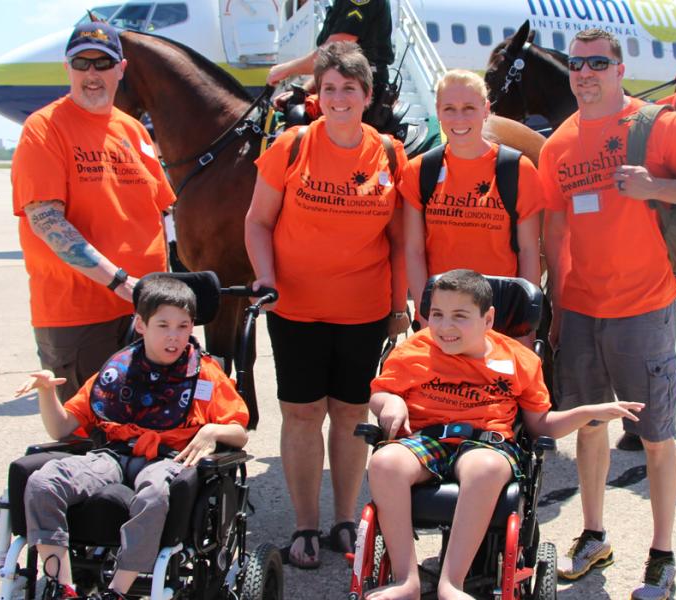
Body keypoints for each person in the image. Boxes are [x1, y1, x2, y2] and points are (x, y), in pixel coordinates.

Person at [539, 29, 676, 599]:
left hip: (643, 310)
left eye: (598, 63)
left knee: (655, 436)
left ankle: (662, 555)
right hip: (579, 311)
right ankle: (594, 534)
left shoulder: (657, 126)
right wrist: (556, 305)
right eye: (578, 64)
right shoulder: (558, 144)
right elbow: (556, 229)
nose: (586, 73)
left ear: (620, 69)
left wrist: (657, 185)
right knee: (590, 427)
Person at [365, 269, 641, 600]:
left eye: (459, 316)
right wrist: (390, 402)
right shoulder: (415, 350)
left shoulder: (519, 360)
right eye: (436, 314)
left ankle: (451, 582)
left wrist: (587, 413)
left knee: (485, 467)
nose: (444, 327)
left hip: (487, 443)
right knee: (384, 462)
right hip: (427, 438)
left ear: (488, 318)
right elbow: (380, 393)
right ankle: (405, 580)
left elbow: (541, 425)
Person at [244, 41, 410, 569]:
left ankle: (343, 518)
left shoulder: (388, 153)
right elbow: (257, 222)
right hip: (295, 308)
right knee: (301, 414)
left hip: (363, 310)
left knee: (349, 414)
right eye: (329, 89)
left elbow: (402, 239)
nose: (339, 98)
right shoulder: (291, 146)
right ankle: (304, 524)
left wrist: (399, 305)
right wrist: (266, 278)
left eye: (349, 89)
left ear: (366, 95)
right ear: (318, 96)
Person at [15, 275, 249, 600]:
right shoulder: (117, 371)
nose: (174, 336)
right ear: (140, 324)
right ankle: (64, 588)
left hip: (170, 458)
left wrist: (213, 430)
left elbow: (239, 431)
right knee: (42, 483)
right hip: (112, 455)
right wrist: (45, 393)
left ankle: (117, 592)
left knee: (154, 495)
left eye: (183, 327)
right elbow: (62, 429)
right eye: (163, 325)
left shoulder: (205, 374)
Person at [12, 22, 175, 403]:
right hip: (78, 317)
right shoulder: (44, 128)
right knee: (85, 440)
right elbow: (46, 220)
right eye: (81, 63)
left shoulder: (134, 131)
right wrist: (120, 281)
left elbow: (162, 216)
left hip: (143, 312)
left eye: (103, 63)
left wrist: (170, 294)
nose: (92, 74)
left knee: (146, 431)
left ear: (121, 69)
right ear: (67, 69)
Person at [398, 70, 543, 327]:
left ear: (486, 110)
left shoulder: (518, 170)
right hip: (442, 316)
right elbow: (414, 250)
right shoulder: (420, 171)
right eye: (449, 108)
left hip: (498, 313)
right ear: (438, 111)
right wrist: (424, 316)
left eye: (469, 108)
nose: (459, 118)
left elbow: (530, 251)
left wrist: (525, 325)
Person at [267, 0, 394, 128]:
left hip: (361, 91)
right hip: (346, 84)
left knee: (296, 126)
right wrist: (303, 92)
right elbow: (330, 66)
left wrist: (284, 70)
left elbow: (331, 55)